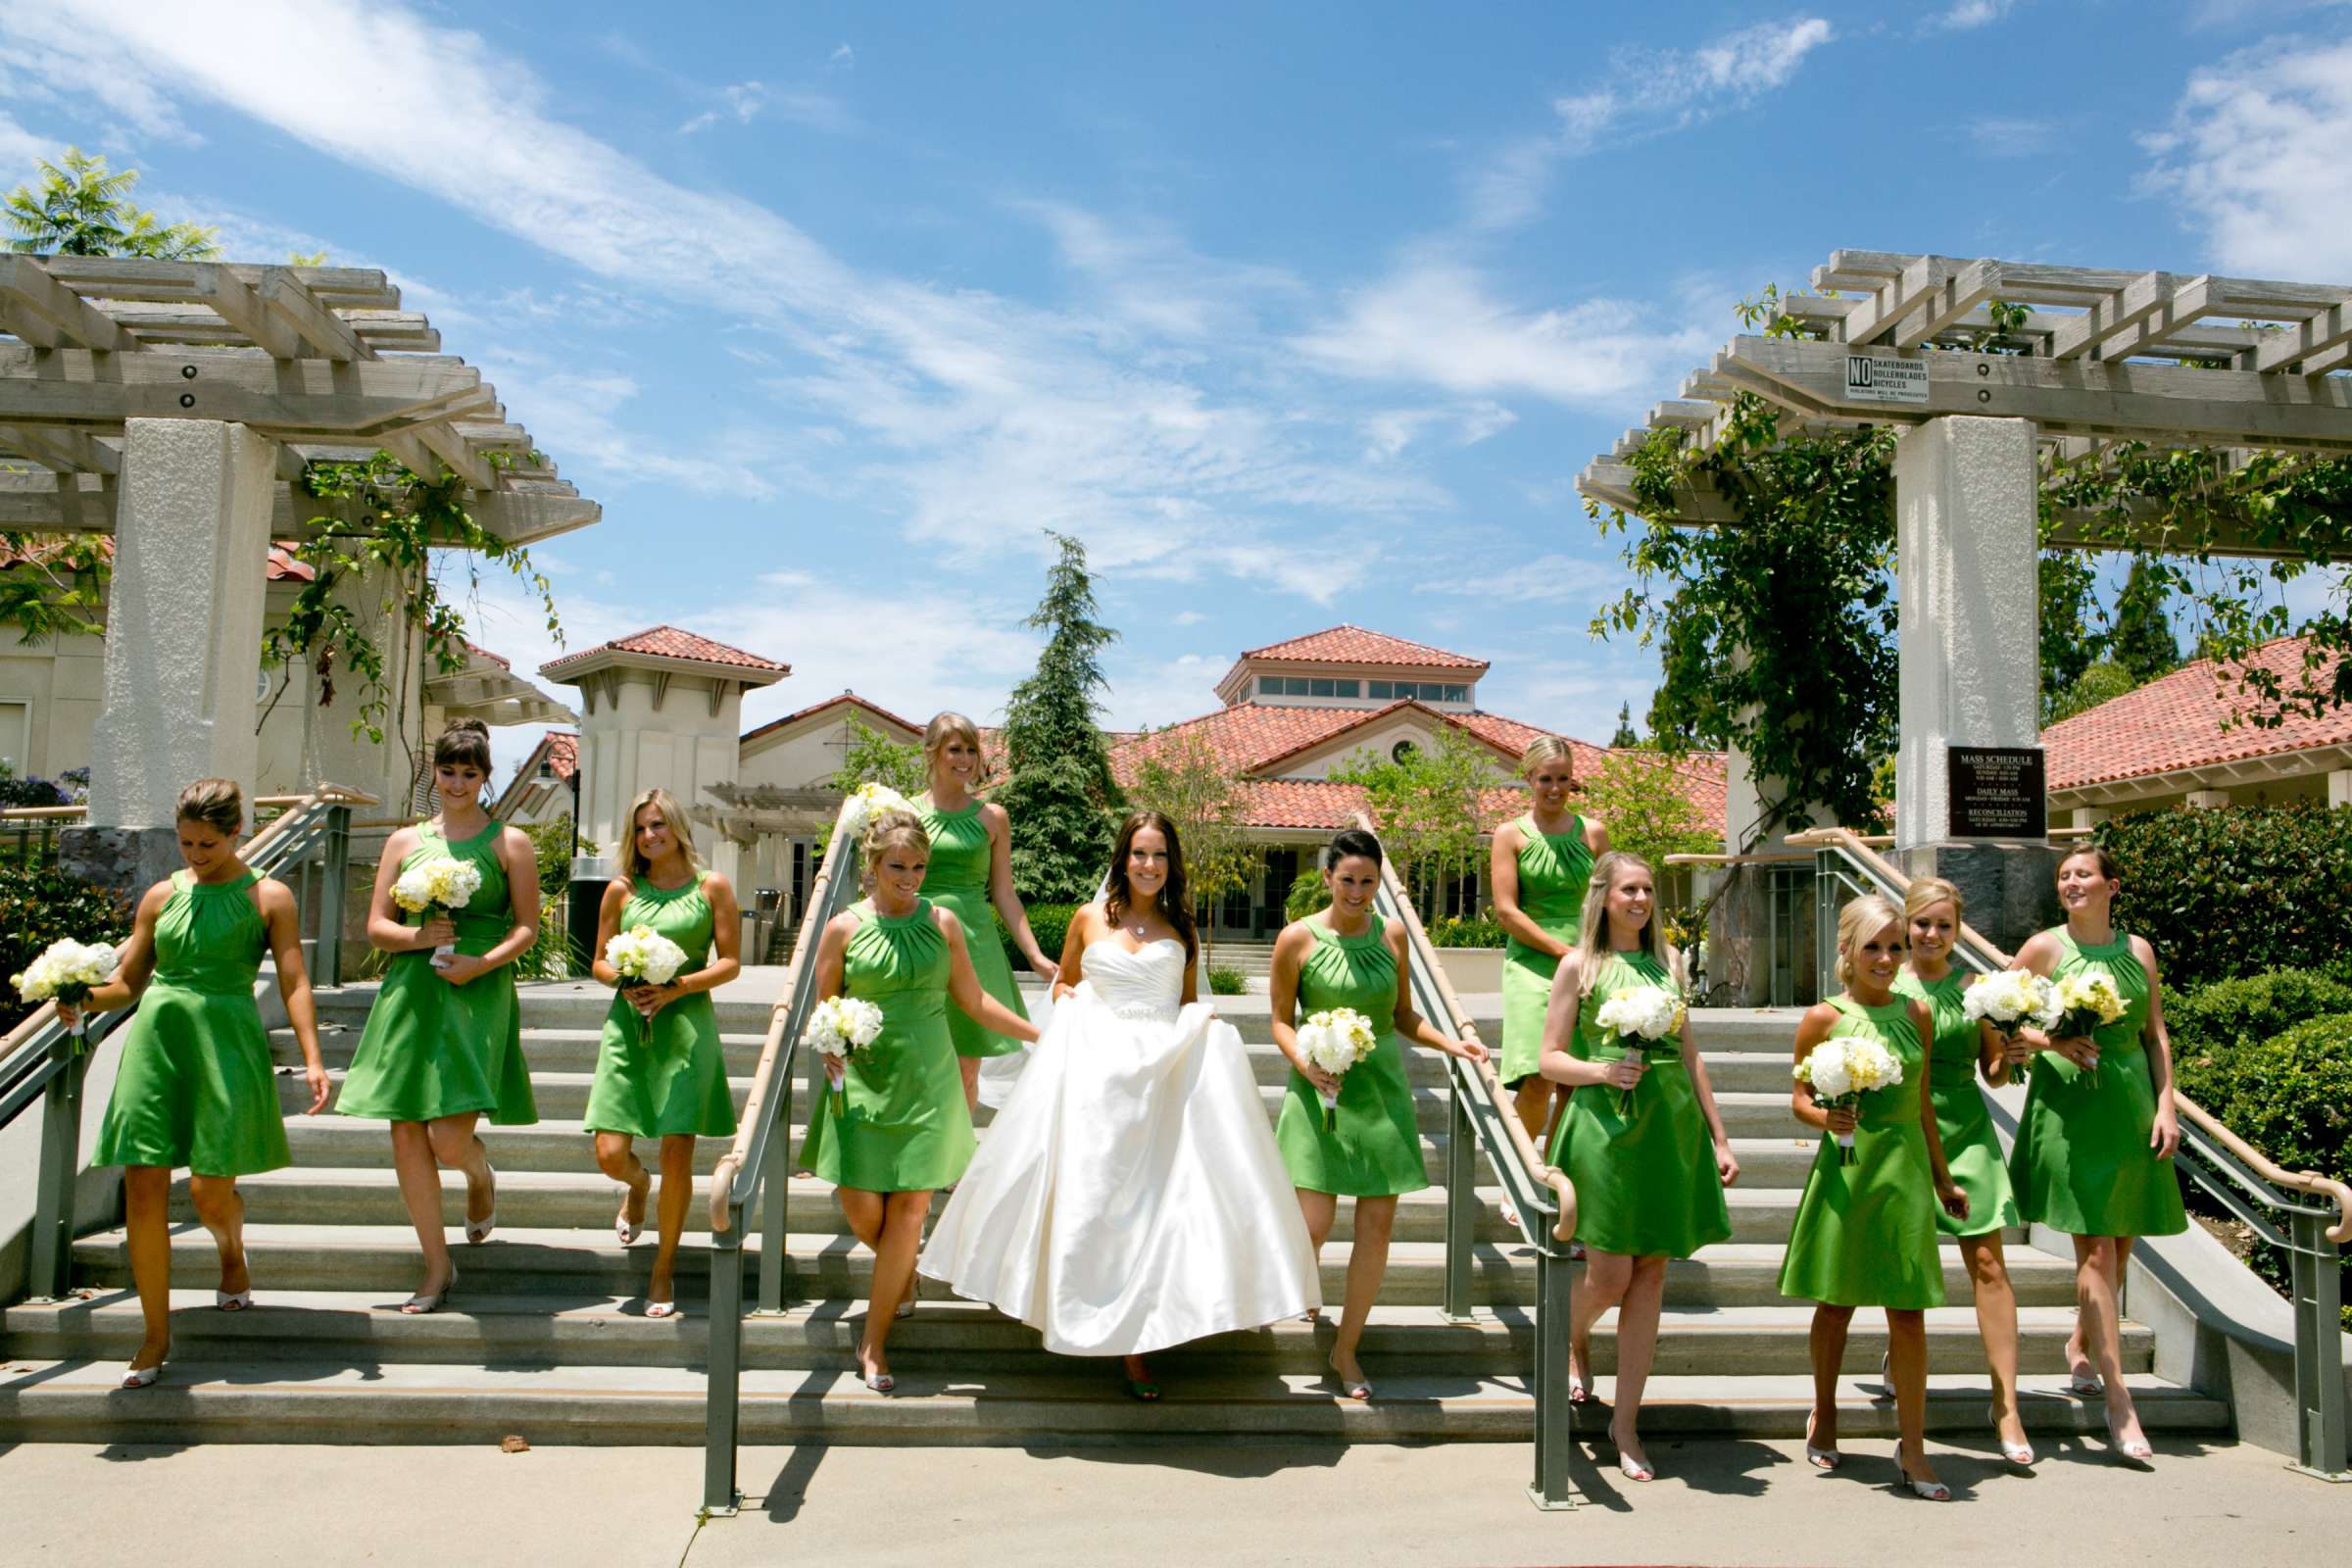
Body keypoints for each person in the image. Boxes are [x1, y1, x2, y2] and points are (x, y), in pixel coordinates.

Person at [920, 810, 1319, 1399]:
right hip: (1095, 1077)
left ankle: (1143, 1338)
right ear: (1122, 859)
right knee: (1095, 1199)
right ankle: (1082, 1315)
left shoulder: (1182, 924)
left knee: (1158, 1207)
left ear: (1171, 863)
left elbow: (1184, 1001)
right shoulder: (1087, 919)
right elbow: (1062, 986)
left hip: (1160, 1076)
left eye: (1159, 855)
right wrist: (1077, 1004)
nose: (1149, 866)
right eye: (1139, 854)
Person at [75, 778, 330, 1389]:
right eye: (186, 842)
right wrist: (75, 996)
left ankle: (230, 1253)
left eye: (207, 844)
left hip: (225, 1041)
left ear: (235, 833)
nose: (193, 854)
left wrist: (313, 1058)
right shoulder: (161, 895)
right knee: (142, 1187)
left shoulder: (269, 897)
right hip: (156, 1043)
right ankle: (155, 1334)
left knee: (212, 1193)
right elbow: (128, 985)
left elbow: (294, 982)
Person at [800, 808, 1038, 1393]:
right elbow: (823, 1005)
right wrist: (828, 1042)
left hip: (931, 1080)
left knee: (910, 1211)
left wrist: (1044, 1036)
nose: (910, 877)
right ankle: (898, 1271)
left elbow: (975, 1001)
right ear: (873, 866)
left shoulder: (945, 921)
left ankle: (874, 1343)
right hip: (863, 1082)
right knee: (863, 1212)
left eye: (920, 866)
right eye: (898, 866)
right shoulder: (844, 929)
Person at [1536, 851, 1736, 1482]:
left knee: (1650, 1275)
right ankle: (1568, 1339)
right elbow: (1548, 1060)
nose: (1641, 900)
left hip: (1668, 1128)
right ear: (1604, 897)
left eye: (1648, 889)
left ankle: (1626, 1423)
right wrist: (1601, 1071)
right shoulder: (1579, 966)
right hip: (1603, 1128)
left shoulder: (1670, 962)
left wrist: (1720, 1136)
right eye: (1629, 889)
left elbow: (1692, 1054)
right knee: (1609, 1274)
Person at [1272, 827, 1489, 1401]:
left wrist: (1453, 1045)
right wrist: (1307, 1062)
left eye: (1368, 881)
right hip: (1317, 1092)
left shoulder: (1393, 935)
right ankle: (1299, 1292)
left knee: (1377, 1228)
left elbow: (1401, 1016)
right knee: (1312, 1226)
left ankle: (1346, 1348)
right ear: (1328, 877)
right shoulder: (1296, 938)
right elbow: (1278, 1021)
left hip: (1381, 1092)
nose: (1357, 891)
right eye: (1347, 880)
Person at [336, 718, 540, 1313]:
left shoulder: (511, 843)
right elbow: (376, 925)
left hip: (477, 988)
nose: (456, 783)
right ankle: (435, 1267)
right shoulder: (404, 842)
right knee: (406, 1131)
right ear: (435, 772)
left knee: (448, 1140)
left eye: (468, 773)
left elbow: (527, 926)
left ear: (484, 777)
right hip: (412, 988)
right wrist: (418, 936)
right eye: (448, 771)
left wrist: (482, 964)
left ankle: (480, 1177)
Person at [1780, 895, 1970, 1501]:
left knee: (1908, 1310)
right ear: (1848, 951)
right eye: (1874, 947)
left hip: (1905, 1167)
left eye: (1894, 945)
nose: (1887, 958)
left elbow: (1921, 1104)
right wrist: (1827, 1119)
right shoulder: (1822, 1018)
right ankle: (1826, 1411)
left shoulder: (1917, 1012)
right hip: (1848, 1170)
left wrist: (1943, 1178)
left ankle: (1913, 1449)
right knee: (1836, 1302)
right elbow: (1799, 1098)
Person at [2007, 845, 2186, 1464]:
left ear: (2112, 884)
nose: (2071, 883)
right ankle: (2118, 1399)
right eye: (2063, 876)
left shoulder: (2139, 951)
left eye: (2083, 874)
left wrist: (2167, 1108)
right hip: (2070, 1111)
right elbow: (2002, 1023)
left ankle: (2080, 1345)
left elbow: (2154, 1033)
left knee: (2123, 1239)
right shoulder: (2043, 948)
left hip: (2131, 1103)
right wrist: (2053, 1040)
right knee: (2097, 1247)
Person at [584, 788, 741, 1319]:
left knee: (678, 1151)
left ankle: (663, 1269)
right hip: (628, 1025)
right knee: (609, 1153)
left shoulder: (712, 886)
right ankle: (636, 1185)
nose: (651, 836)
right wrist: (626, 978)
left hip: (687, 1024)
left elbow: (731, 963)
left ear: (676, 828)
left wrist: (678, 986)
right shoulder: (621, 891)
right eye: (642, 828)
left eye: (659, 826)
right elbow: (599, 963)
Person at [1894, 877, 2034, 1466]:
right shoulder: (1883, 978)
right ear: (1906, 924)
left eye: (1944, 925)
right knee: (1908, 1268)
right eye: (1923, 923)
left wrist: (2012, 1055)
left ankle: (2007, 1404)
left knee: (1987, 1262)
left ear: (1956, 930)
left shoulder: (1975, 988)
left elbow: (1993, 1072)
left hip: (1965, 1128)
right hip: (1901, 1129)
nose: (1932, 934)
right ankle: (1905, 1382)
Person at [915, 712, 1057, 1111]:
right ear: (932, 752)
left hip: (975, 944)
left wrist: (1035, 956)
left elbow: (1005, 893)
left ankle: (955, 1169)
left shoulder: (992, 817)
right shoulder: (906, 813)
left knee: (965, 1065)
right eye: (954, 749)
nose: (964, 759)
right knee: (924, 1060)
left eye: (971, 750)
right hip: (920, 942)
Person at [1492, 737, 1607, 1150]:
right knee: (1537, 1076)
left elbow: (1609, 901)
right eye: (1545, 779)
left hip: (1587, 964)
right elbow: (1507, 911)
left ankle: (1558, 1171)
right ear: (1528, 779)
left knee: (1574, 1082)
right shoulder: (1509, 835)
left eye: (1563, 779)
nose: (1555, 788)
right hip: (1531, 963)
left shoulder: (1593, 833)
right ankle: (1521, 1171)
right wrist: (1563, 953)